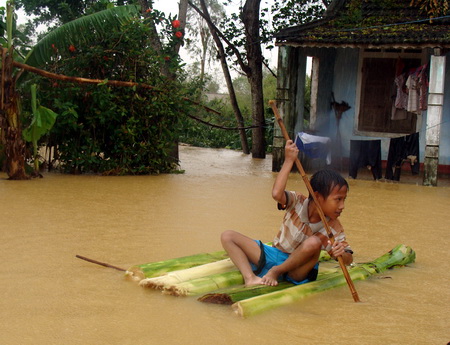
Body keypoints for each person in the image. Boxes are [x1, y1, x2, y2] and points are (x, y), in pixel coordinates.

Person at [221, 139, 353, 287]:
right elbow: (277, 194)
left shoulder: (334, 227)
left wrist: (340, 254)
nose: (342, 206)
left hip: (297, 270)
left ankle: (276, 271)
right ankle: (250, 278)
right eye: (338, 199)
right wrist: (289, 160)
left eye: (343, 200)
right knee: (228, 236)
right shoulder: (297, 201)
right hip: (275, 254)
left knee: (315, 242)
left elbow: (348, 259)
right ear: (317, 196)